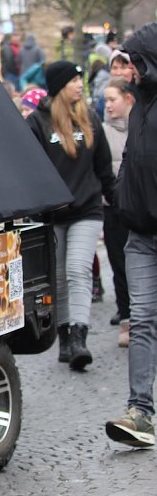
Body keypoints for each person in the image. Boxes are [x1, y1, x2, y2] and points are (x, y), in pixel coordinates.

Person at [26, 61, 115, 371]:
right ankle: (63, 337)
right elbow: (31, 171)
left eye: (81, 79)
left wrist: (117, 203)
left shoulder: (90, 118)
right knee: (59, 277)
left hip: (87, 209)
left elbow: (103, 166)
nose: (80, 84)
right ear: (59, 86)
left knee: (78, 269)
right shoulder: (38, 123)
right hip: (53, 214)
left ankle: (79, 337)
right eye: (75, 80)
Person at [105, 22, 157, 447]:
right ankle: (140, 412)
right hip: (139, 234)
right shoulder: (139, 105)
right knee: (141, 322)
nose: (128, 71)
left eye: (134, 62)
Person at [102, 76, 135, 347]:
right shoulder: (101, 131)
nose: (108, 105)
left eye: (112, 99)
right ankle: (127, 320)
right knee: (119, 266)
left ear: (128, 99)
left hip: (140, 206)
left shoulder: (142, 126)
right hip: (113, 207)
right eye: (106, 100)